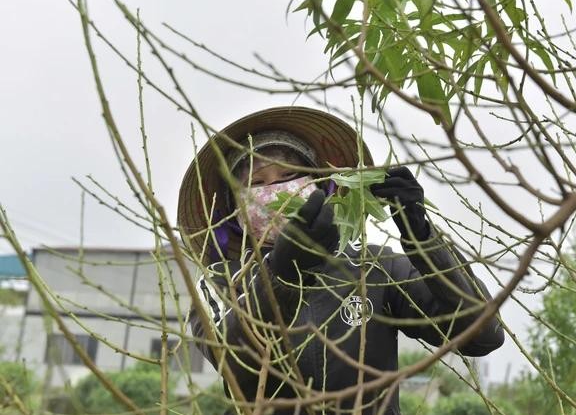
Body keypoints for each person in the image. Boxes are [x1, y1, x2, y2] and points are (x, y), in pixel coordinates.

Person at [177, 107, 504, 415]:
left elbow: (481, 334)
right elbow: (235, 367)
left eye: (289, 175)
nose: (274, 192)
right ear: (234, 208)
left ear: (319, 185)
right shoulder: (221, 282)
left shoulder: (373, 268)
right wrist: (285, 275)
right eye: (256, 183)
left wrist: (421, 235)